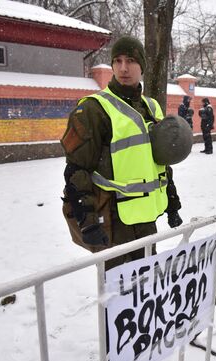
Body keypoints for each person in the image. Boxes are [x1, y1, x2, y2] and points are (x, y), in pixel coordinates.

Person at [60, 36, 183, 271]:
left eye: (131, 61)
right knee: (118, 295)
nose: (123, 68)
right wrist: (87, 221)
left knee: (146, 288)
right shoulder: (93, 109)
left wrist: (172, 201)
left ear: (142, 67)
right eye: (117, 61)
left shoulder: (151, 107)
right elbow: (76, 170)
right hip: (114, 222)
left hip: (145, 219)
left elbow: (159, 162)